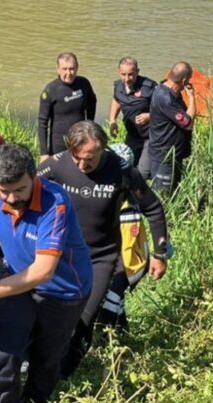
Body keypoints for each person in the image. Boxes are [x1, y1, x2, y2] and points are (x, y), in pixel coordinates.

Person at [0, 144, 92, 403]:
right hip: (16, 278)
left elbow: (43, 271)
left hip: (63, 291)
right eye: (5, 191)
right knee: (5, 344)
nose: (12, 198)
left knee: (46, 357)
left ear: (34, 177)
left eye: (20, 190)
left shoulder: (55, 203)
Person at [38, 120, 169, 378]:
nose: (82, 165)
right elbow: (25, 190)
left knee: (82, 323)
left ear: (103, 149)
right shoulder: (57, 163)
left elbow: (153, 208)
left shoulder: (121, 171)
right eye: (77, 158)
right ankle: (47, 370)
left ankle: (64, 378)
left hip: (100, 258)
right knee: (49, 317)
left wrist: (160, 254)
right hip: (61, 256)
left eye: (89, 158)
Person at [38, 52, 97, 162]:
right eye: (64, 69)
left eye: (71, 69)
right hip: (58, 145)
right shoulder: (51, 90)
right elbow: (42, 122)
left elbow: (92, 102)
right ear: (58, 69)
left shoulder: (84, 83)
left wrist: (89, 124)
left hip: (80, 141)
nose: (68, 73)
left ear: (77, 68)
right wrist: (44, 153)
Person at [148, 61, 196, 195]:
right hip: (165, 156)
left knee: (174, 191)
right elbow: (188, 123)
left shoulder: (166, 89)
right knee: (163, 195)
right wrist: (192, 98)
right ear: (185, 80)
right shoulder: (166, 98)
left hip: (173, 154)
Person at [108, 56, 157, 177]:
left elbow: (164, 109)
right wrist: (112, 120)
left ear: (137, 72)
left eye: (131, 74)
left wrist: (149, 116)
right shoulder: (118, 86)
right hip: (132, 135)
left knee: (143, 172)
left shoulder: (149, 87)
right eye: (123, 74)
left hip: (149, 136)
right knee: (126, 167)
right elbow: (116, 100)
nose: (127, 78)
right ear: (118, 72)